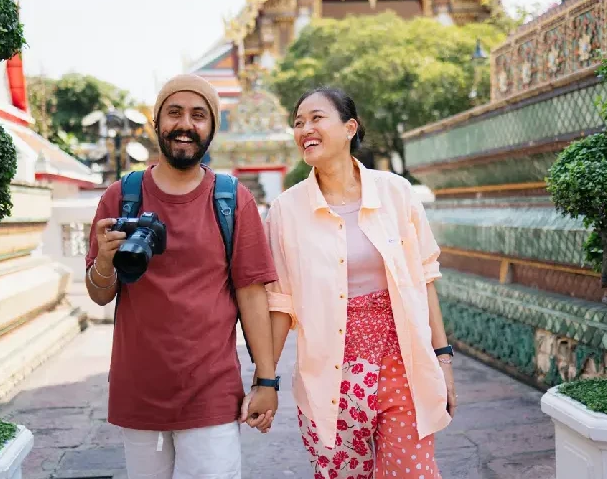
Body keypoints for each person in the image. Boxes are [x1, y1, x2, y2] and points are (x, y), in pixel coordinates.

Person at [85, 74, 279, 479]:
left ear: (211, 128)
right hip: (140, 393)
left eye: (198, 115)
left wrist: (266, 380)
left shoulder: (231, 199)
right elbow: (100, 294)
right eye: (174, 113)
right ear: (157, 123)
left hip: (211, 393)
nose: (185, 124)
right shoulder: (120, 196)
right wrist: (104, 261)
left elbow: (252, 293)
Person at [264, 87, 457, 478]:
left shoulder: (396, 192)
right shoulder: (286, 210)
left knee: (412, 473)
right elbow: (281, 303)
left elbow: (424, 278)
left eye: (316, 118)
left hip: (401, 366)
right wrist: (264, 380)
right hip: (328, 380)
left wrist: (443, 362)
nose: (305, 129)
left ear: (350, 127)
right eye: (298, 122)